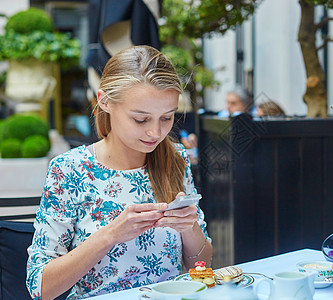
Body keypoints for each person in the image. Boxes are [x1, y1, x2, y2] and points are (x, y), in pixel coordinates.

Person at [26, 46, 212, 300]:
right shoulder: (70, 169)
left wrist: (190, 228)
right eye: (140, 119)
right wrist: (110, 235)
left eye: (167, 118)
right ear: (104, 101)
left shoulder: (175, 158)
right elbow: (40, 287)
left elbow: (200, 268)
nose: (156, 133)